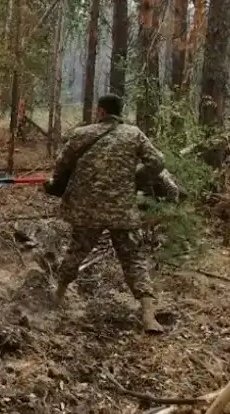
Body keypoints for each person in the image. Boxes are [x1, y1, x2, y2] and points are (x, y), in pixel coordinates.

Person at [44, 94, 166, 333]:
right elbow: (158, 161)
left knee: (76, 252)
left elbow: (61, 166)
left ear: (100, 111)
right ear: (119, 112)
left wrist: (55, 187)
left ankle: (56, 298)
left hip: (87, 209)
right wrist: (135, 178)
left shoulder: (81, 134)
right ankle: (149, 316)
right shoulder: (134, 134)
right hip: (122, 210)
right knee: (134, 260)